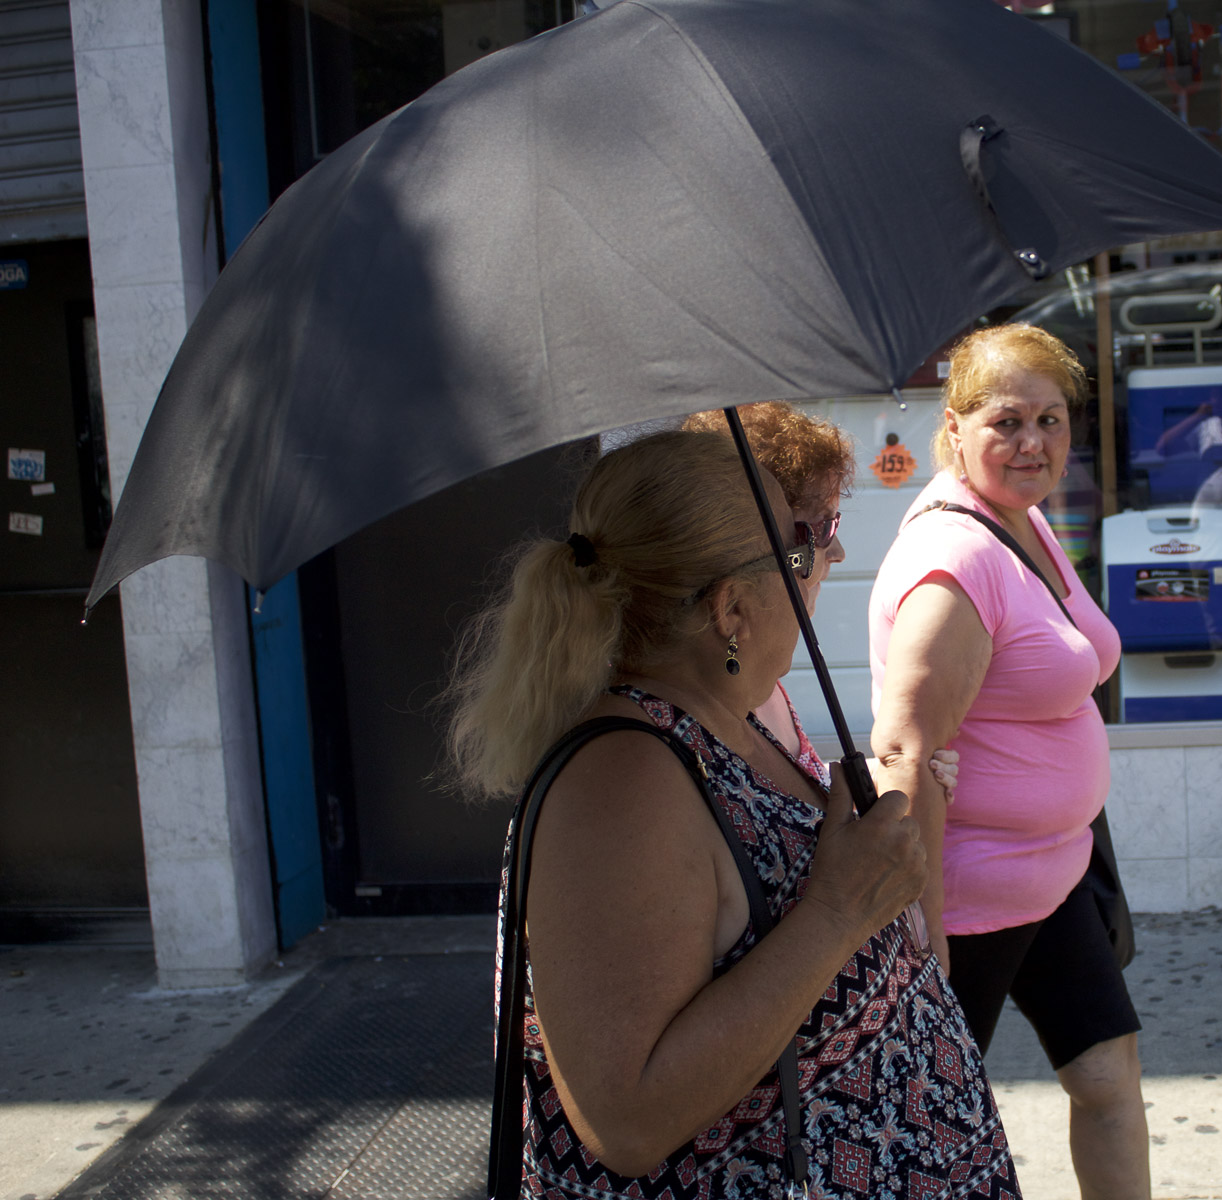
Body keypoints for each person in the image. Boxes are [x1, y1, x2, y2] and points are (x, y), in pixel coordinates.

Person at [448, 429, 1020, 1200]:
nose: (831, 560)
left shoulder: (729, 722)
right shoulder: (621, 780)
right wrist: (838, 912)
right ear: (732, 608)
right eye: (802, 548)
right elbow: (627, 1118)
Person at [867, 326, 1148, 1199]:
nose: (1033, 442)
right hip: (972, 906)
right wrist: (928, 942)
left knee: (1108, 1076)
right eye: (1007, 421)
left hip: (1054, 879)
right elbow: (905, 748)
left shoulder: (1021, 522)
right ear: (954, 430)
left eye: (1052, 420)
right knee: (930, 1139)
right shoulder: (954, 561)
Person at [683, 403, 959, 798]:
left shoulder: (762, 687)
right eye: (823, 527)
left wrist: (886, 780)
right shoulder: (687, 720)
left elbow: (796, 797)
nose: (840, 551)